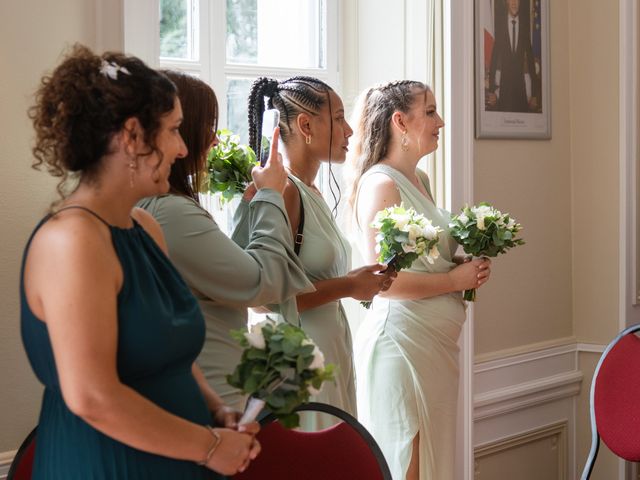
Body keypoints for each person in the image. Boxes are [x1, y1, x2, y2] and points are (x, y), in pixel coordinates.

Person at [21, 45, 260, 478]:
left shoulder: (145, 229)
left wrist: (216, 409)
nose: (182, 149)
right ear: (133, 136)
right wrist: (208, 447)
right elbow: (91, 396)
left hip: (183, 455)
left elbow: (176, 354)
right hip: (108, 464)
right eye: (172, 130)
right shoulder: (72, 241)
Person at [138, 71, 314, 412]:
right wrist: (270, 196)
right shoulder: (169, 212)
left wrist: (253, 207)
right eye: (204, 128)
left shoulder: (156, 208)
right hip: (203, 402)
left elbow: (221, 277)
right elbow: (261, 282)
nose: (214, 141)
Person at [347, 80, 492, 480]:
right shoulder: (382, 185)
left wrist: (464, 264)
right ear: (400, 122)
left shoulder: (420, 181)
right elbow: (384, 281)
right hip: (402, 348)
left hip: (434, 350)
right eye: (429, 112)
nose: (440, 121)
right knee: (408, 467)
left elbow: (422, 262)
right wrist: (452, 280)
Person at [243, 76, 396, 431]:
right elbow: (262, 300)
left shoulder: (313, 191)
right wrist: (348, 287)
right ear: (306, 125)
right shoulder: (284, 192)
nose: (349, 131)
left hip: (331, 347)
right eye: (339, 118)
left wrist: (362, 282)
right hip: (299, 359)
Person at [487, 0, 539, 112]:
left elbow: (530, 62)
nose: (514, 2)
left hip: (521, 93)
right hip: (504, 93)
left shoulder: (525, 26)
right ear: (506, 2)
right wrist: (491, 91)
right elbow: (494, 59)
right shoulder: (500, 25)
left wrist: (534, 94)